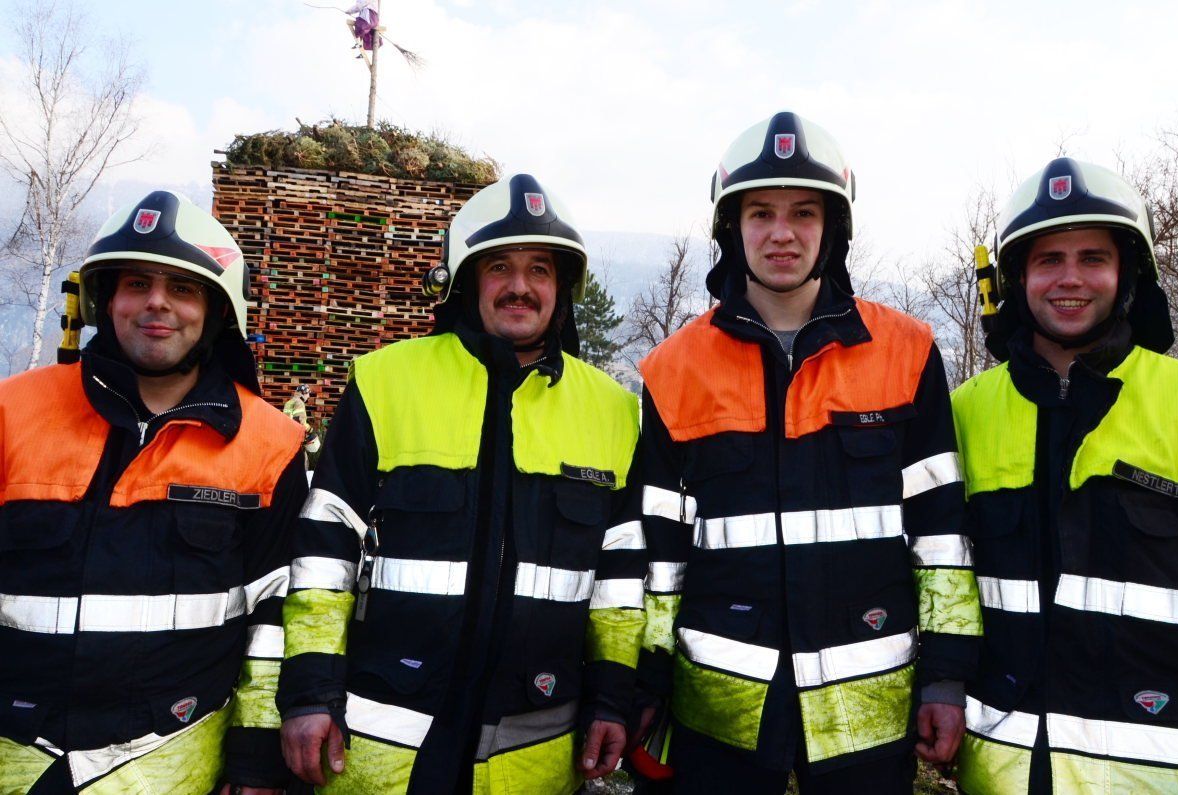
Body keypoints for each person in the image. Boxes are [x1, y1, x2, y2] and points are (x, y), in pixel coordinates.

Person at [635, 111, 983, 793]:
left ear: (833, 229)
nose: (782, 232)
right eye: (760, 213)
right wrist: (646, 679)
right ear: (731, 229)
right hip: (720, 715)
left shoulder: (908, 353)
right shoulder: (672, 369)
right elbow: (660, 554)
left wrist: (946, 674)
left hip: (868, 713)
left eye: (803, 212)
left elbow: (941, 535)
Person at [277, 174, 644, 793]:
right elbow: (324, 552)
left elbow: (620, 580)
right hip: (385, 744)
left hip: (531, 752)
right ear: (466, 280)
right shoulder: (387, 382)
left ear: (562, 288)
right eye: (500, 266)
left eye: (539, 269)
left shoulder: (612, 410)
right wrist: (310, 692)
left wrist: (612, 698)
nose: (520, 286)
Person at [0, 191, 306, 793]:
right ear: (105, 300)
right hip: (15, 754)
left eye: (182, 288)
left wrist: (255, 760)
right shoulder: (13, 412)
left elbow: (276, 617)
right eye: (137, 283)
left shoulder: (271, 443)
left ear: (217, 312)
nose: (157, 302)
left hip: (164, 762)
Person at [952, 157, 1178, 793]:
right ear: (1017, 279)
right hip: (1001, 775)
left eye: (1093, 258)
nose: (1070, 279)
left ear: (1129, 274)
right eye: (1049, 260)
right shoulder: (964, 414)